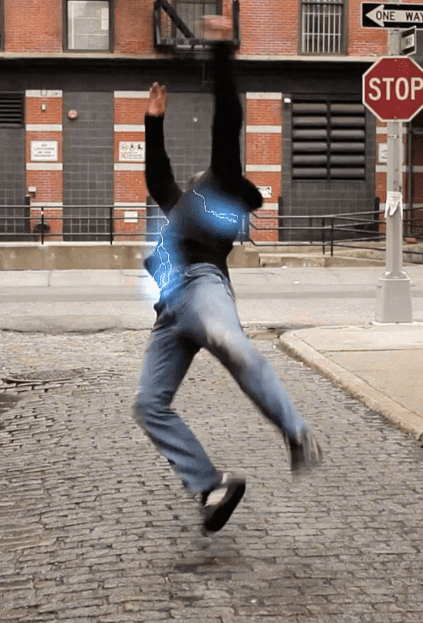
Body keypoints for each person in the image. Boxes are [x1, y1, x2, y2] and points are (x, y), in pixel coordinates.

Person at [133, 16, 323, 535]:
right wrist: (152, 121)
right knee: (148, 405)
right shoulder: (182, 203)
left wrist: (221, 51)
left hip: (202, 287)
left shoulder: (217, 192)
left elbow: (227, 121)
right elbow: (157, 176)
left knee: (230, 342)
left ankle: (296, 431)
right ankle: (211, 485)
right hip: (170, 310)